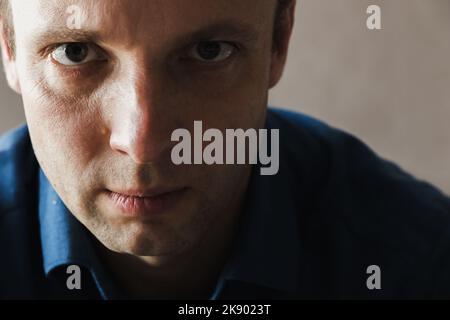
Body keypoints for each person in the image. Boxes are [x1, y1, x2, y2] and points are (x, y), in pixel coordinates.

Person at [1, 0, 450, 300]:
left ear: (279, 40)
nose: (144, 143)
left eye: (208, 51)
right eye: (75, 52)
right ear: (10, 49)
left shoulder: (420, 267)